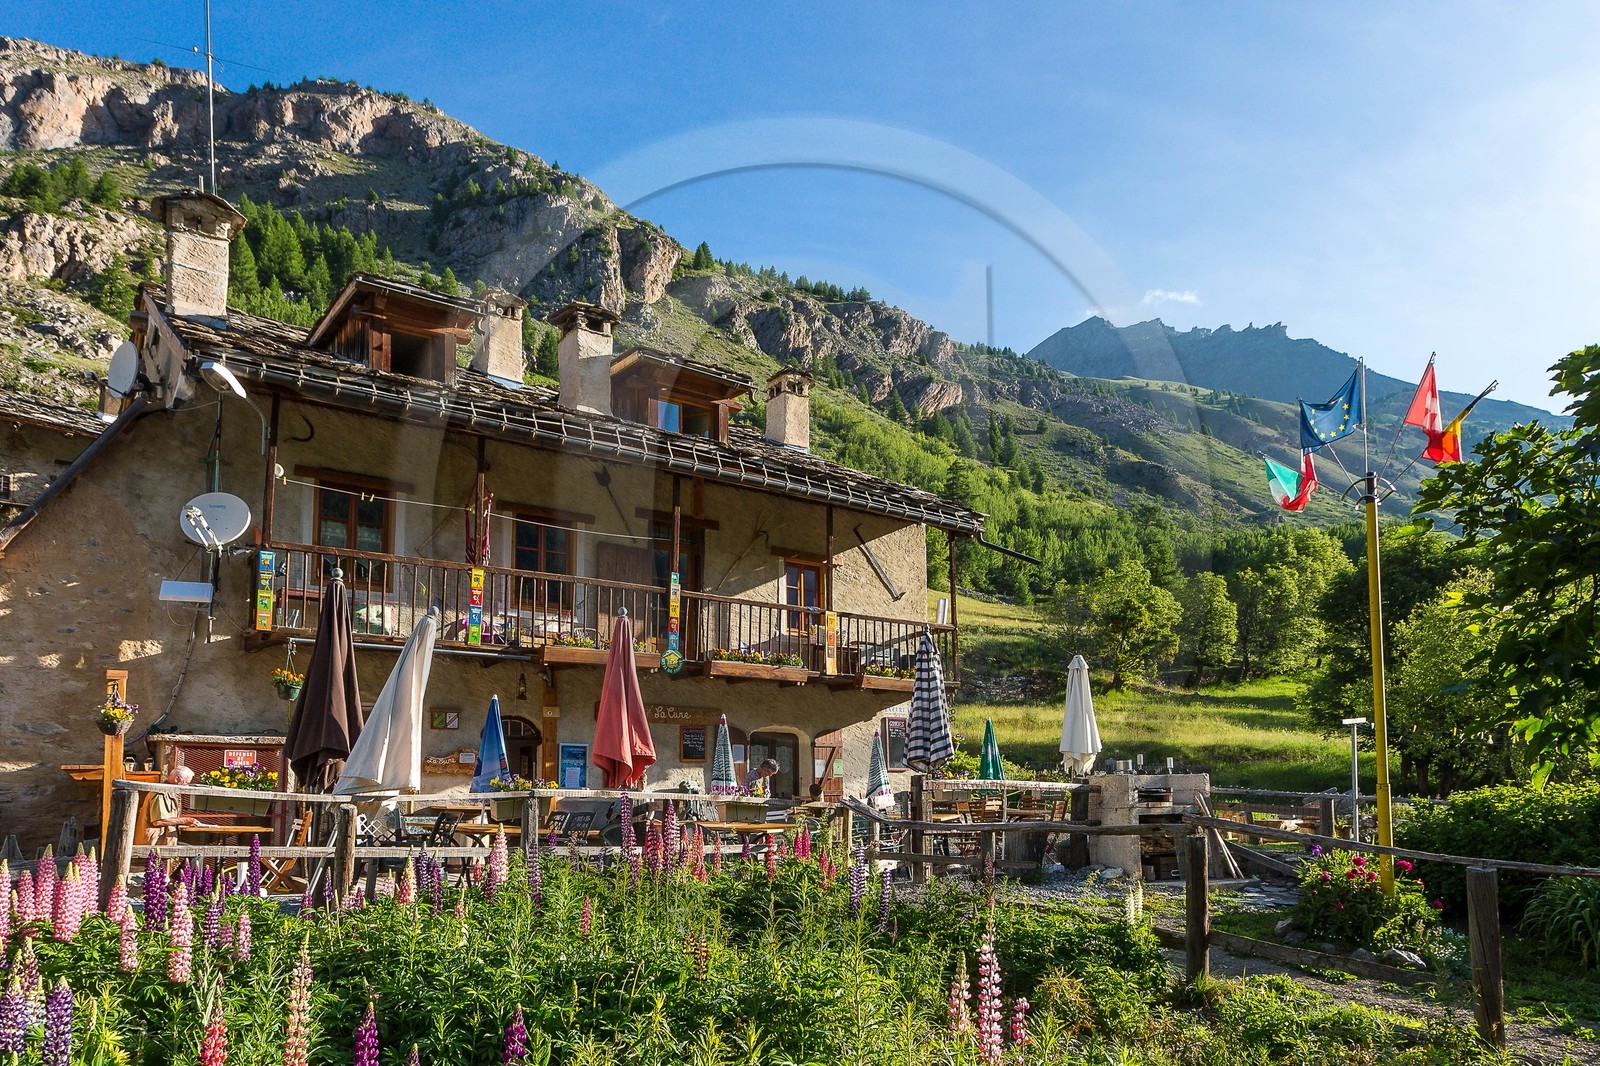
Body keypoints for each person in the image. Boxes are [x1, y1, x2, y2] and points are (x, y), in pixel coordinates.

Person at [146, 765, 198, 845]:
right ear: (177, 779)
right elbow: (158, 821)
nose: (186, 787)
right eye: (186, 783)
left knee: (196, 854)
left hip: (164, 840)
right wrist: (184, 820)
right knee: (196, 854)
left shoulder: (170, 792)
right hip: (155, 842)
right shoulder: (161, 793)